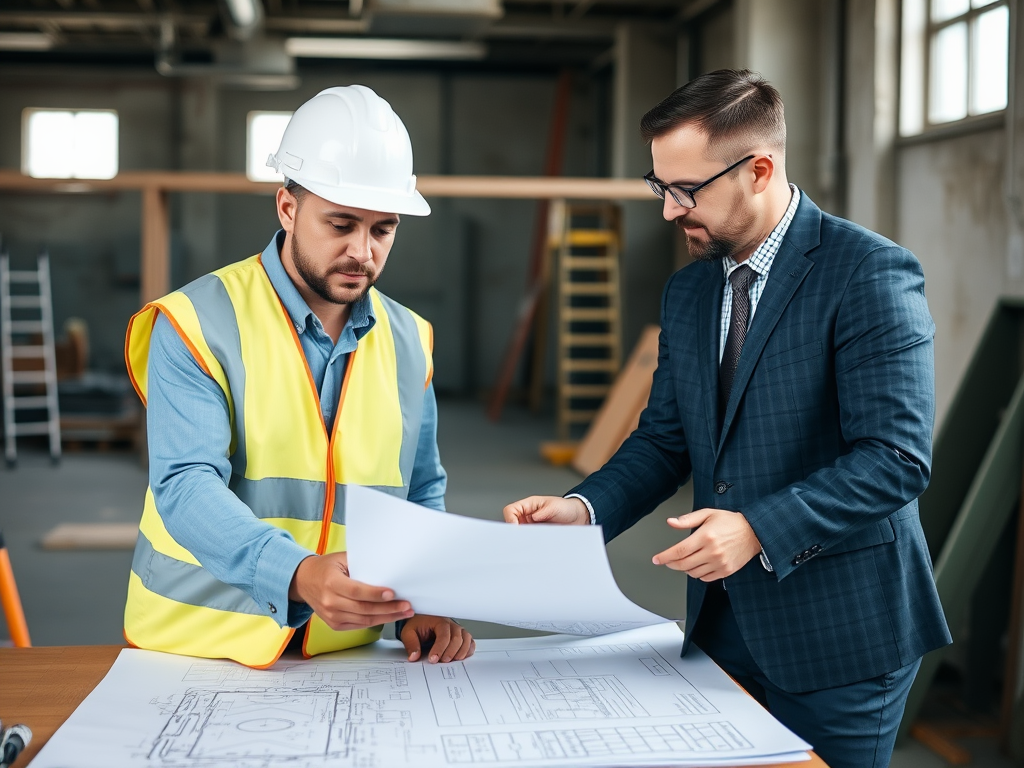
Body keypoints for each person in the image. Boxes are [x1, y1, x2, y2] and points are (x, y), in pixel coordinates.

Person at [503, 69, 950, 768]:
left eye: (687, 191)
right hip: (721, 627)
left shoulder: (867, 274)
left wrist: (757, 529)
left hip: (842, 636)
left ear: (760, 170)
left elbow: (895, 458)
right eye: (660, 187)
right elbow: (664, 440)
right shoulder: (689, 291)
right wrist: (584, 509)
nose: (668, 211)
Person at [123, 85, 474, 669]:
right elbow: (185, 484)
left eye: (382, 229)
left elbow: (419, 489)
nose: (362, 251)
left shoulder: (410, 337)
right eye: (341, 224)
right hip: (195, 649)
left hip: (343, 652)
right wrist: (294, 573)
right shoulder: (194, 323)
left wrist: (424, 602)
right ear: (287, 207)